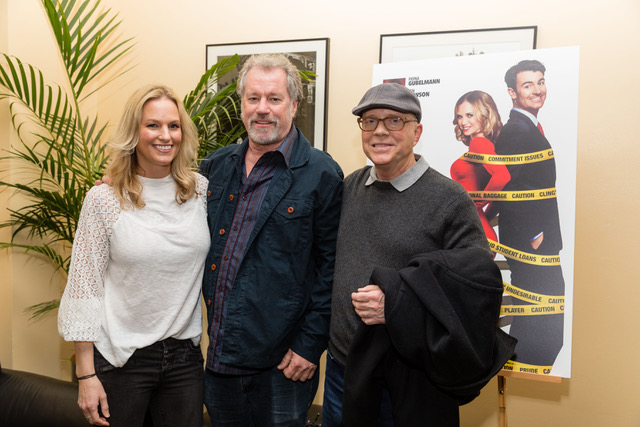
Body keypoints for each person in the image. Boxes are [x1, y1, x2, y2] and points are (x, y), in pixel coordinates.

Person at [323, 82, 515, 426]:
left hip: (410, 380)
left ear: (417, 131)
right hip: (343, 371)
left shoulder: (450, 200)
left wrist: (397, 306)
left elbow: (476, 292)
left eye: (394, 121)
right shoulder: (349, 187)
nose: (380, 131)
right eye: (369, 121)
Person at [198, 53, 343, 425]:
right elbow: (167, 211)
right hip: (219, 358)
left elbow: (333, 269)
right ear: (242, 104)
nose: (262, 109)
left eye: (274, 99)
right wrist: (118, 187)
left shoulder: (321, 173)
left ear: (293, 106)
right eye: (253, 98)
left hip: (285, 365)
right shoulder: (214, 167)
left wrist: (310, 345)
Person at [58, 85, 210, 426]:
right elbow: (84, 287)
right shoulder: (104, 199)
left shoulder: (199, 189)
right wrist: (85, 375)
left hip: (184, 357)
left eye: (173, 125)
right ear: (133, 132)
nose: (165, 135)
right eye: (152, 125)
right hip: (121, 360)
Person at [495, 59, 565, 369]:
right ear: (512, 92)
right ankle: (523, 368)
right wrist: (535, 236)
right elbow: (513, 189)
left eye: (540, 82)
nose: (537, 90)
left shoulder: (527, 127)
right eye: (528, 85)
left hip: (538, 244)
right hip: (533, 246)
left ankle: (521, 365)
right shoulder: (516, 132)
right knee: (543, 321)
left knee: (539, 318)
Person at [450, 90, 510, 243]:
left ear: (485, 115)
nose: (463, 122)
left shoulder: (479, 143)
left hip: (474, 234)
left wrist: (476, 204)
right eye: (459, 116)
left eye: (470, 115)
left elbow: (502, 176)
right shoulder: (483, 146)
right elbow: (497, 196)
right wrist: (480, 213)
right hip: (475, 229)